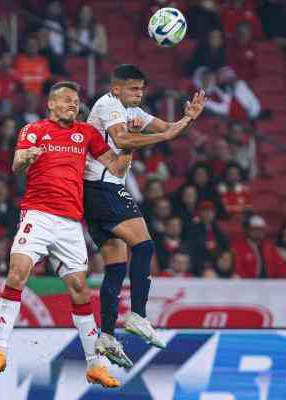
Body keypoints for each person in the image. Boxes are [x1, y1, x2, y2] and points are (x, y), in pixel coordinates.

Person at [0, 81, 143, 388]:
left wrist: (132, 141)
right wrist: (28, 157)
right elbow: (17, 163)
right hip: (38, 215)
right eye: (68, 99)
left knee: (80, 291)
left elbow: (117, 168)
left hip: (70, 223)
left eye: (77, 100)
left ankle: (94, 366)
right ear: (51, 104)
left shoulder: (86, 134)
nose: (74, 104)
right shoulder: (34, 130)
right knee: (17, 273)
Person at [82, 64, 205, 368]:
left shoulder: (133, 111)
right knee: (145, 245)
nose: (139, 93)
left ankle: (108, 335)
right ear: (116, 89)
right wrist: (166, 135)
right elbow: (122, 140)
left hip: (98, 189)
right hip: (102, 186)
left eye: (141, 88)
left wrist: (188, 117)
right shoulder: (108, 105)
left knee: (115, 267)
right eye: (133, 88)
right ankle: (137, 315)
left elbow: (169, 129)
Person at [231, 214, 286, 278]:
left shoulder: (269, 248)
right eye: (255, 229)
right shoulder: (239, 247)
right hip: (248, 284)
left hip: (268, 284)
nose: (258, 232)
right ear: (248, 230)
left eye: (260, 229)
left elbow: (281, 269)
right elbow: (238, 268)